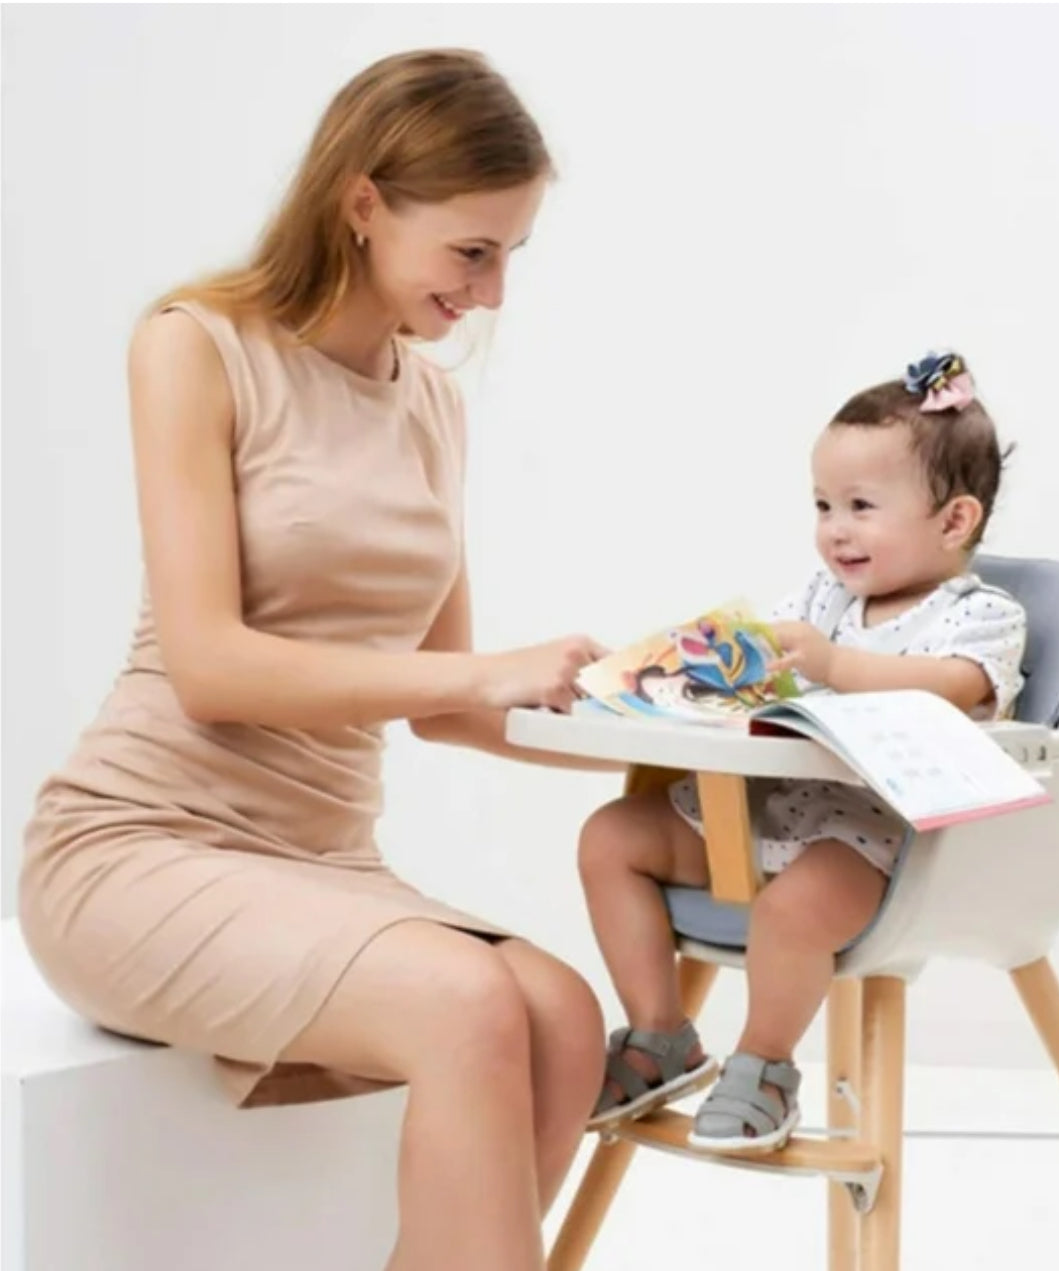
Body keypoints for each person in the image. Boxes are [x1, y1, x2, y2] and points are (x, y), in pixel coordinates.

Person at [19, 49, 619, 1271]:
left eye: (510, 255)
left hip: (319, 863)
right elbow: (212, 667)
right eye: (472, 250)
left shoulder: (432, 407)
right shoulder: (199, 347)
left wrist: (673, 738)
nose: (494, 292)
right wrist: (479, 672)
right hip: (140, 842)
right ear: (361, 204)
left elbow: (455, 705)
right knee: (468, 1005)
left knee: (564, 1016)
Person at [577, 351, 1028, 1153]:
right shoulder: (824, 599)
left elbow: (948, 690)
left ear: (955, 520)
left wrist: (833, 665)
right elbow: (754, 669)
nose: (834, 528)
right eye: (823, 504)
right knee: (611, 836)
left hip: (877, 842)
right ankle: (659, 1034)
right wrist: (672, 678)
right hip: (765, 811)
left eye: (860, 505)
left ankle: (765, 1064)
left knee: (791, 909)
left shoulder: (981, 616)